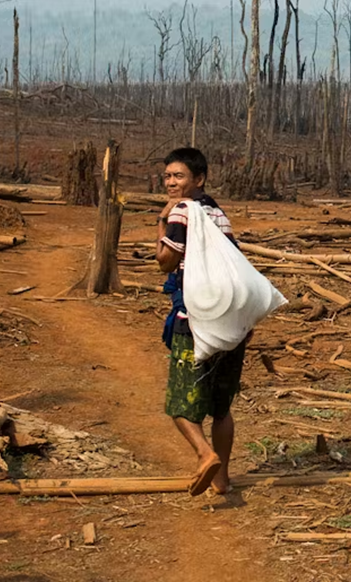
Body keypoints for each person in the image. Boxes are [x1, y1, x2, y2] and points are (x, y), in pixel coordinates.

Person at [156, 147, 248, 497]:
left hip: (193, 320)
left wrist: (161, 221)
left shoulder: (182, 212)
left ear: (199, 179)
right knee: (221, 408)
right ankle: (222, 479)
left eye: (178, 176)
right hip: (229, 320)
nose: (171, 182)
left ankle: (204, 453)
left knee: (180, 405)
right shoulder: (217, 212)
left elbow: (165, 262)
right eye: (167, 176)